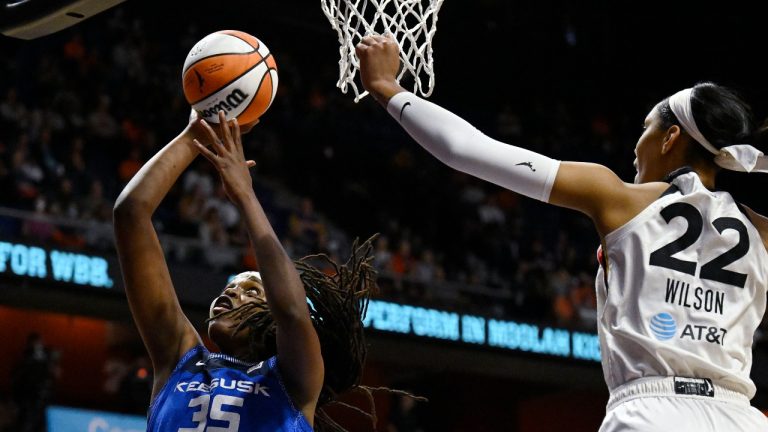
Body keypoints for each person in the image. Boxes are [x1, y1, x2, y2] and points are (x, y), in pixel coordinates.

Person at [356, 34, 768, 431]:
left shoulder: (617, 197)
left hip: (651, 412)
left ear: (670, 138)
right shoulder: (760, 231)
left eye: (646, 128)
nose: (636, 145)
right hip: (742, 417)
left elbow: (465, 148)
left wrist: (387, 86)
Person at [113, 111, 378, 431]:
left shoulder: (295, 380)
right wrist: (194, 135)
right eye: (231, 288)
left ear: (272, 319)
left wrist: (245, 195)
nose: (230, 293)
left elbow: (293, 311)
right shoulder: (179, 360)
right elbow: (130, 213)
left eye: (251, 291)